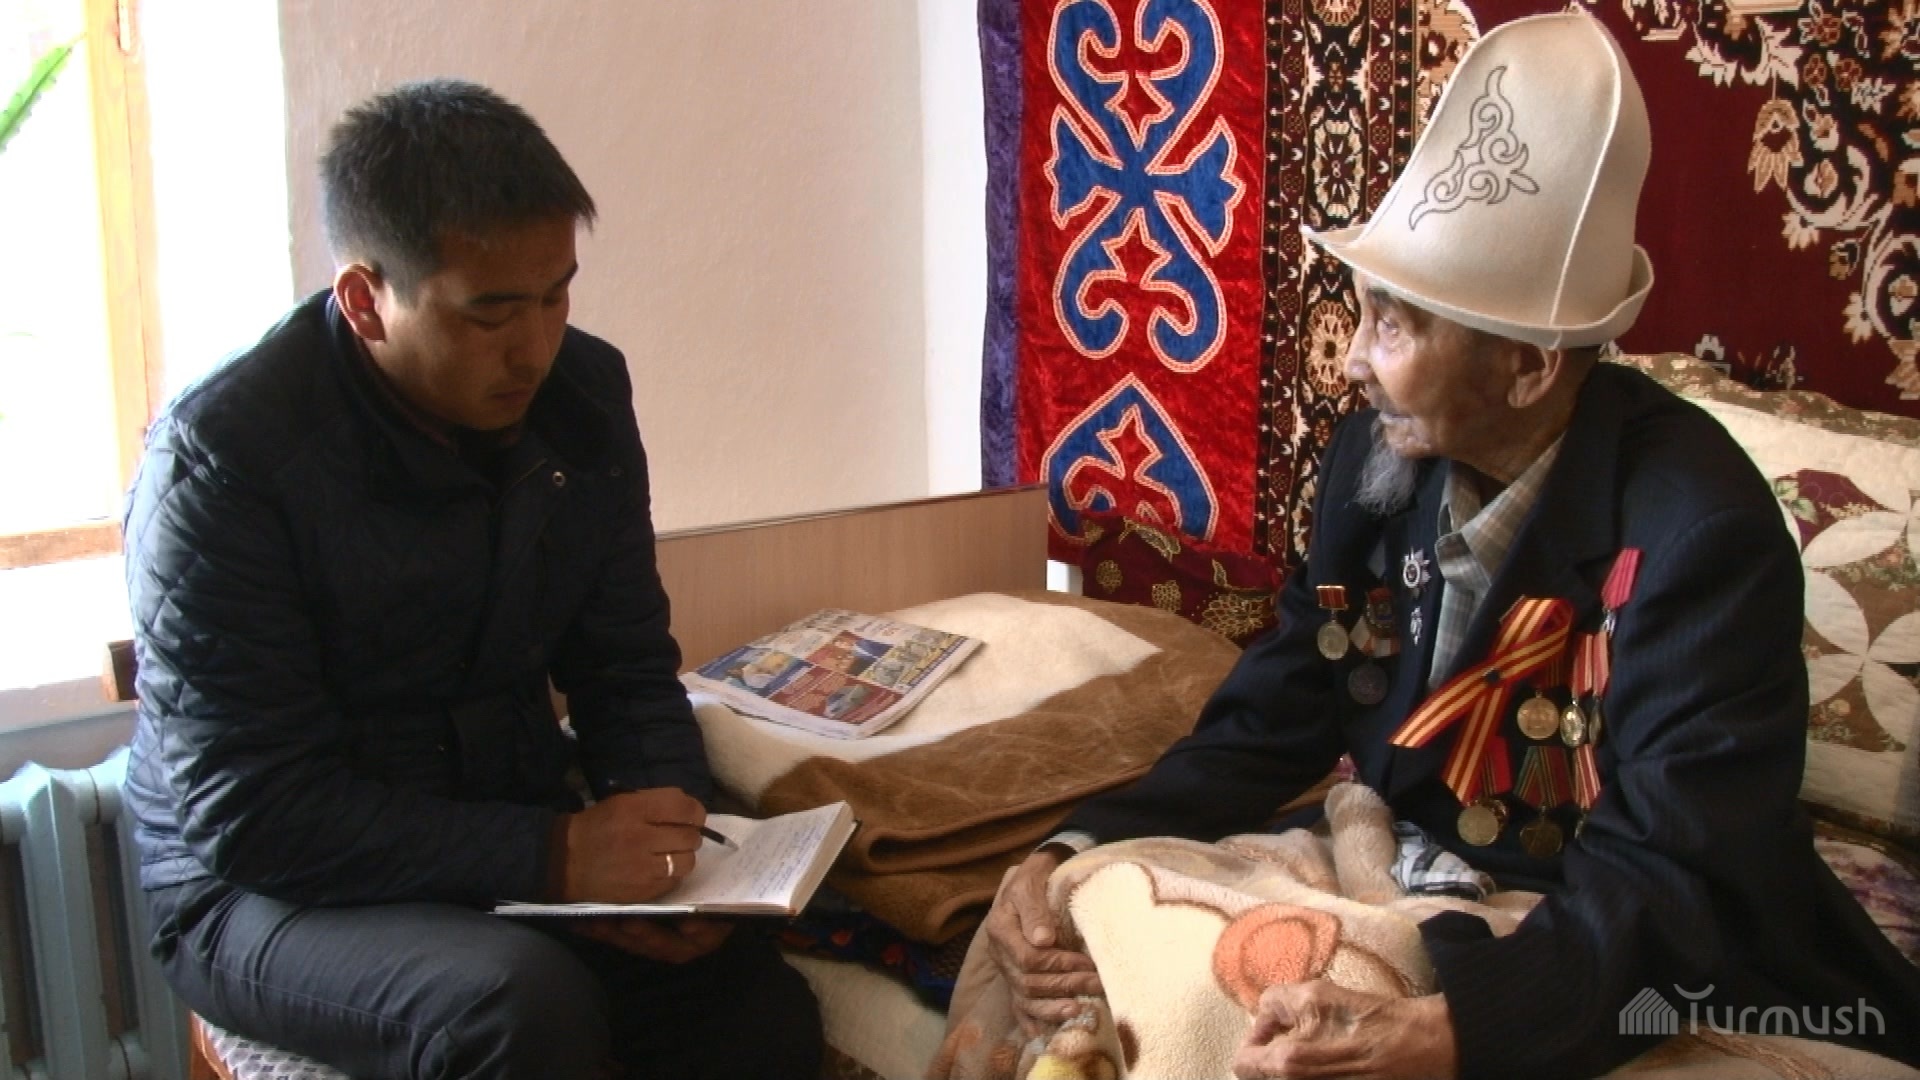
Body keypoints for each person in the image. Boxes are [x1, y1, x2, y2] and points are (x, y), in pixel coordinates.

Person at [980, 13, 1920, 1080]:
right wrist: (1074, 842)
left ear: (1528, 367)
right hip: (1436, 882)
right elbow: (1281, 708)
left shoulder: (1703, 537)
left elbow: (1674, 878)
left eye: (1393, 325)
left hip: (1642, 953)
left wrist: (1448, 1033)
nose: (1351, 365)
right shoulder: (1376, 459)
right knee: (1088, 935)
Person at [121, 80, 822, 1079]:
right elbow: (255, 811)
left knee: (752, 1005)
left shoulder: (584, 394)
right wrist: (554, 856)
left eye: (556, 295)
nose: (534, 348)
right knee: (517, 1007)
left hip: (498, 821)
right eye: (490, 314)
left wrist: (668, 847)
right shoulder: (224, 460)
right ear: (365, 300)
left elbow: (624, 665)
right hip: (256, 889)